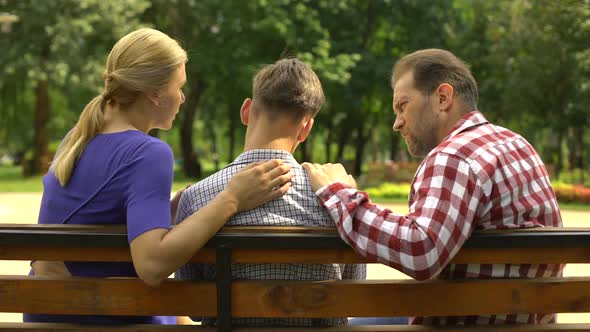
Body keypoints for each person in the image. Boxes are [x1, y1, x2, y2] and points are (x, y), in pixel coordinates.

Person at [24, 28, 292, 325]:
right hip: (105, 318)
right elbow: (152, 266)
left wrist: (170, 209)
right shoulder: (147, 153)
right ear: (153, 93)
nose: (182, 98)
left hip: (51, 312)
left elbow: (95, 214)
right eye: (179, 87)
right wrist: (232, 198)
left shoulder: (76, 139)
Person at [303, 49, 563, 325]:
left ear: (443, 98)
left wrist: (340, 194)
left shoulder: (454, 157)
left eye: (402, 105)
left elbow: (421, 250)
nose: (396, 123)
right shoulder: (517, 144)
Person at [175, 58, 366, 327]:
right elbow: (352, 294)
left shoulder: (197, 198)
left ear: (246, 110)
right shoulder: (335, 198)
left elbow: (192, 306)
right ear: (306, 128)